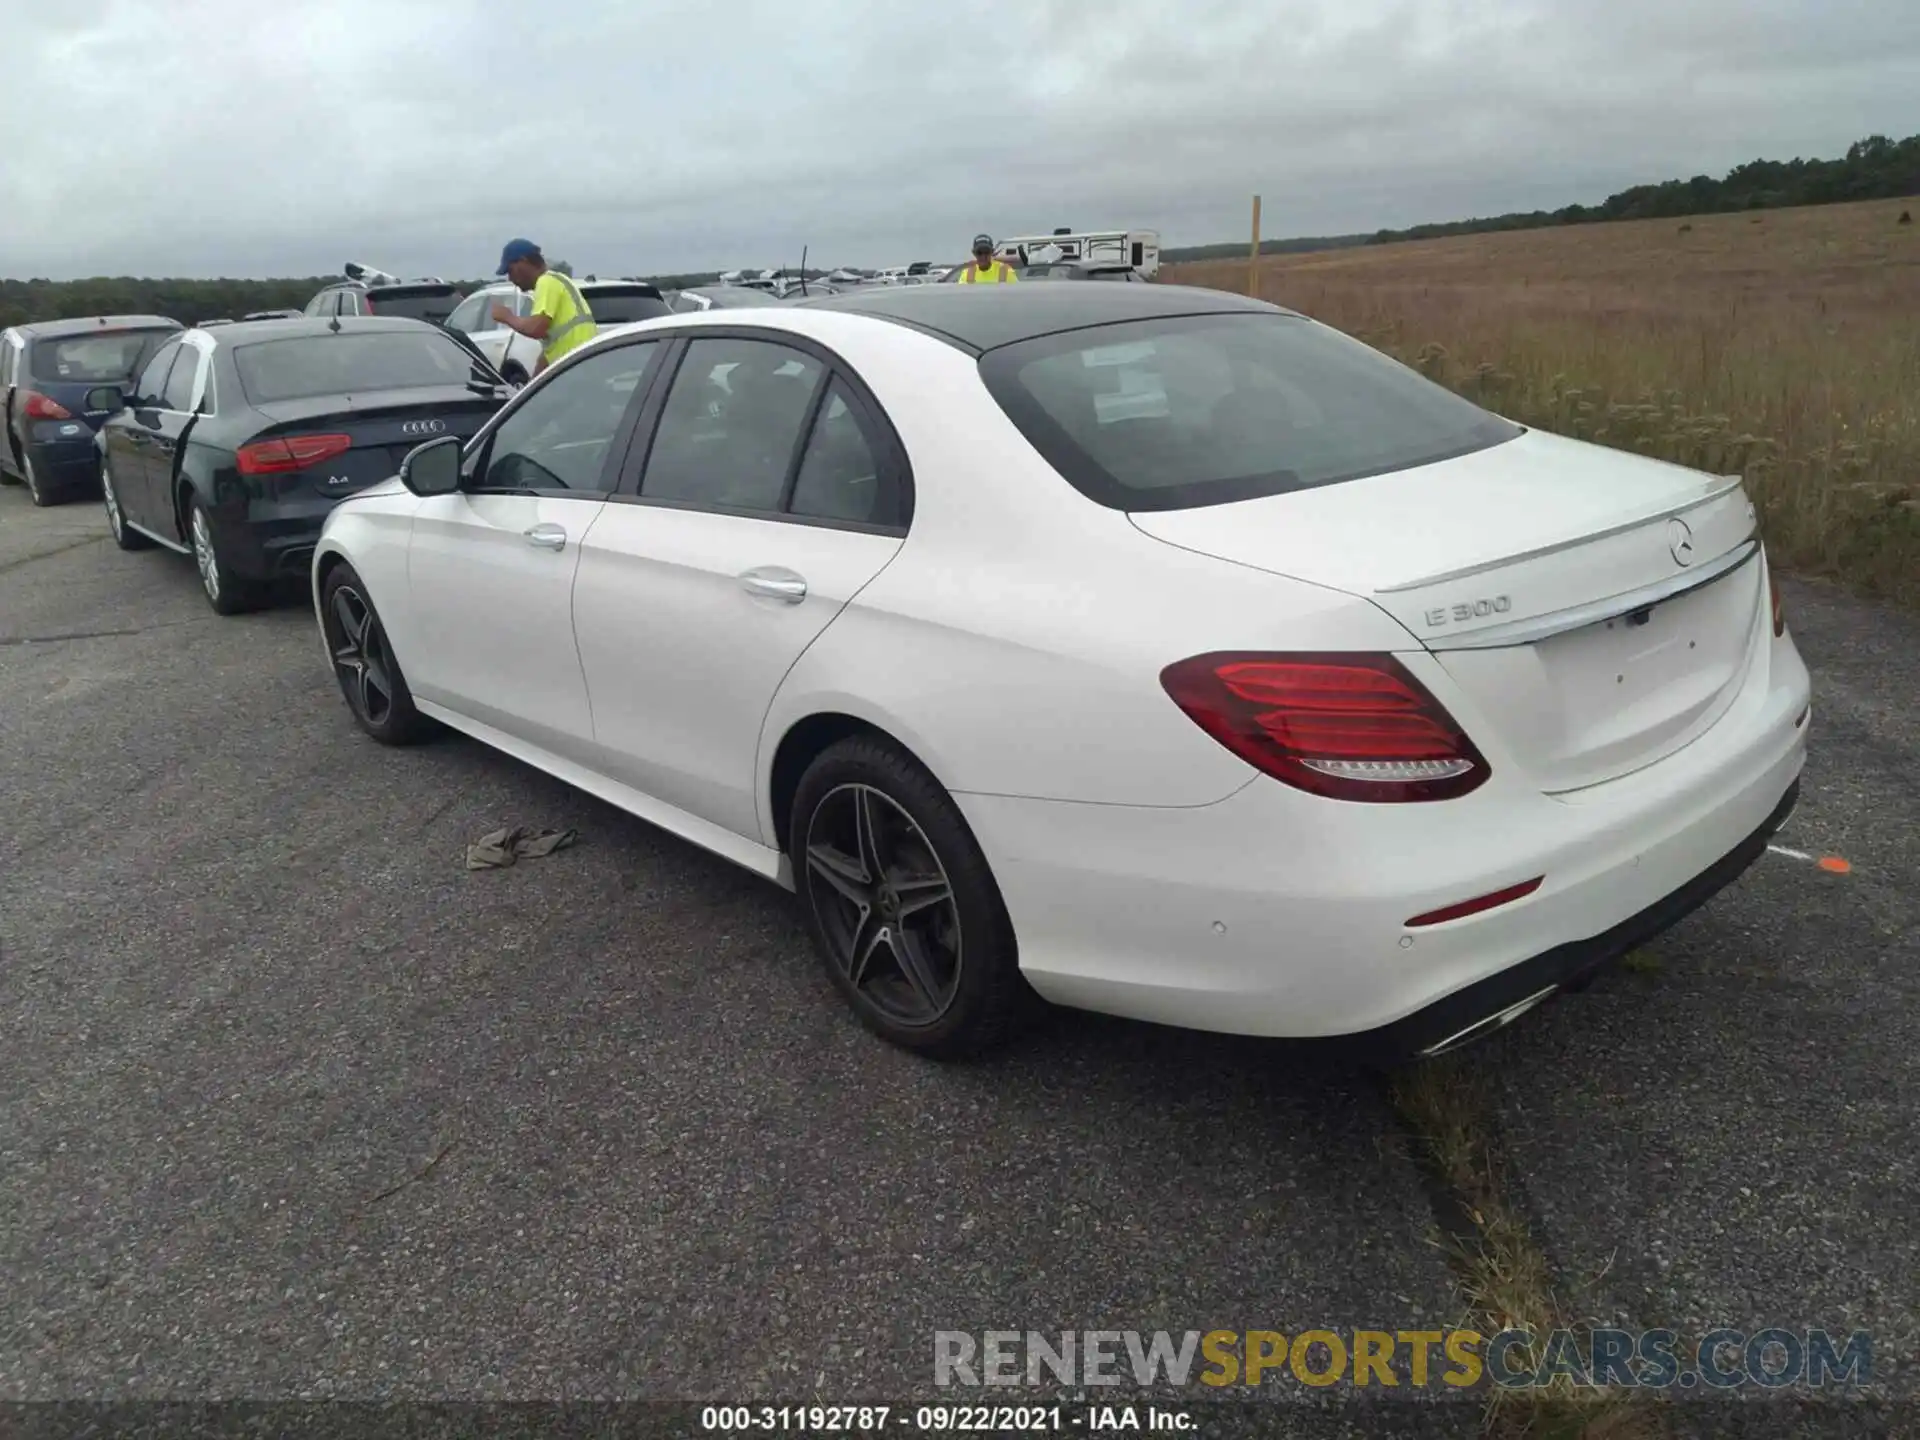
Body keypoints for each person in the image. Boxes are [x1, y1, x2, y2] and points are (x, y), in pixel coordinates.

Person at [489, 238, 597, 376]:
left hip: (575, 369)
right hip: (581, 365)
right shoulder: (558, 280)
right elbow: (549, 347)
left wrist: (507, 316)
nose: (510, 278)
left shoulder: (546, 282)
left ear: (523, 262)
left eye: (510, 271)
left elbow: (536, 328)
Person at [955, 234, 1020, 284]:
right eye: (979, 253)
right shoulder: (967, 274)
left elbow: (1017, 296)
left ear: (992, 252)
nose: (983, 256)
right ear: (974, 253)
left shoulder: (1006, 272)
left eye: (986, 252)